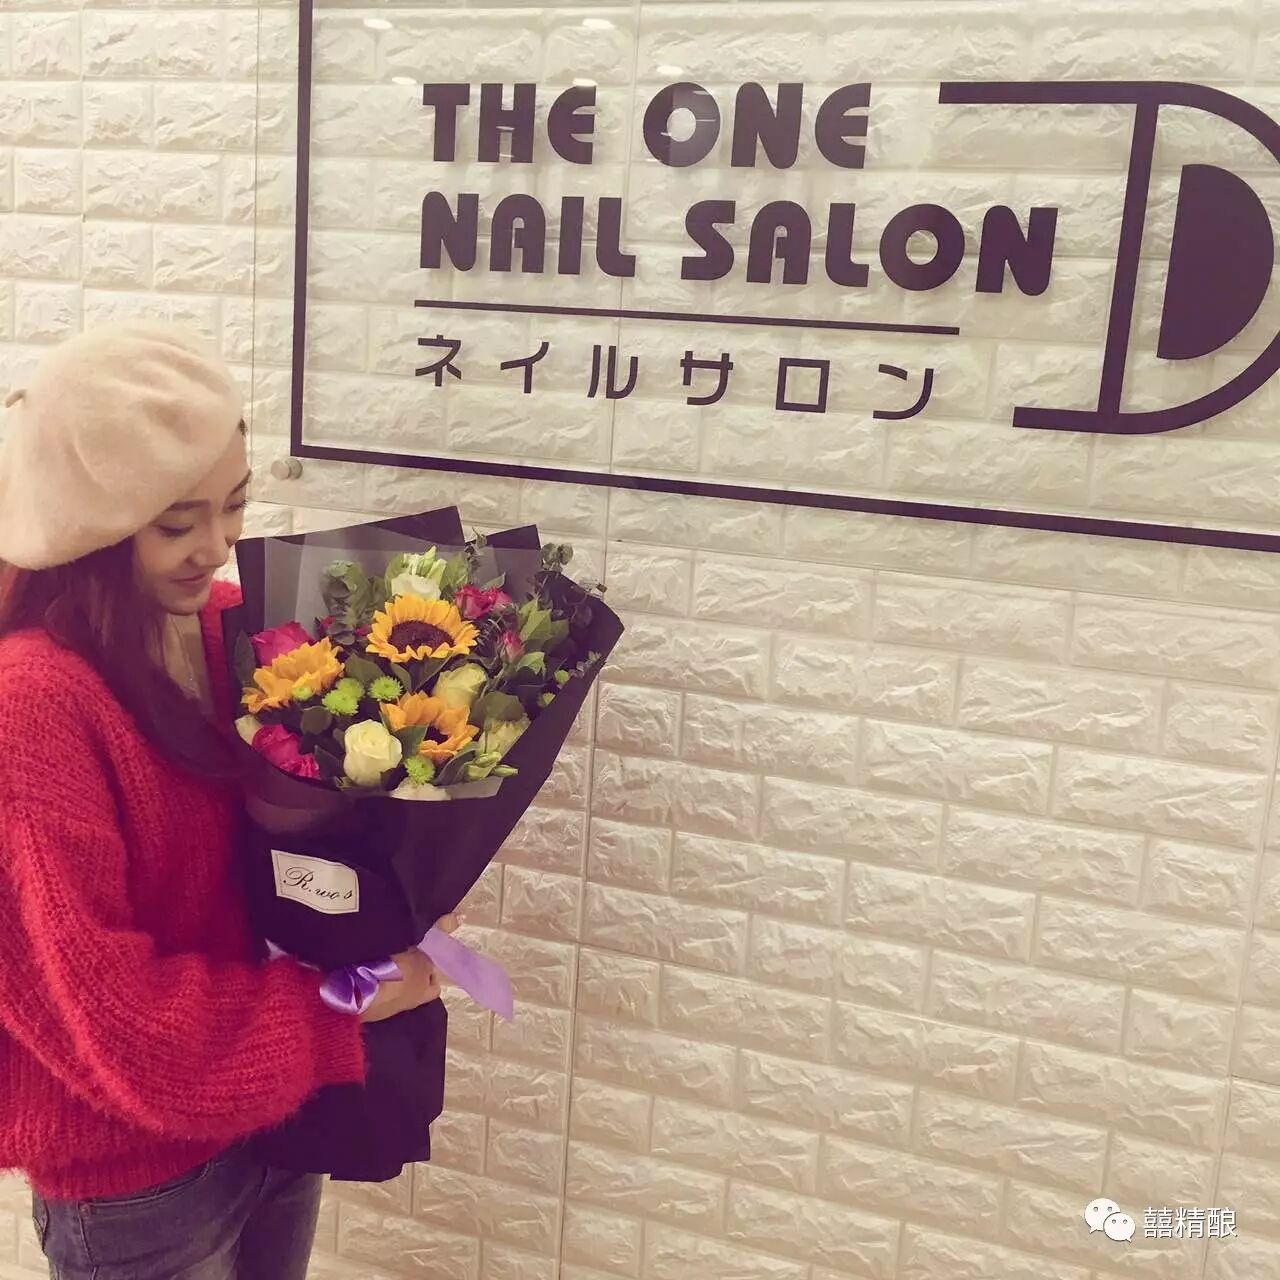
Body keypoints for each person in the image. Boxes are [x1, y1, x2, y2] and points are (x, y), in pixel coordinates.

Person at [0, 325, 449, 1280]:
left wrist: (396, 881)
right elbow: (116, 1021)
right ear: (87, 522)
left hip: (276, 1121)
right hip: (138, 1181)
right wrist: (342, 1005)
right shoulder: (32, 705)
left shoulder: (223, 629)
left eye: (236, 505)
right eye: (177, 523)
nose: (217, 546)